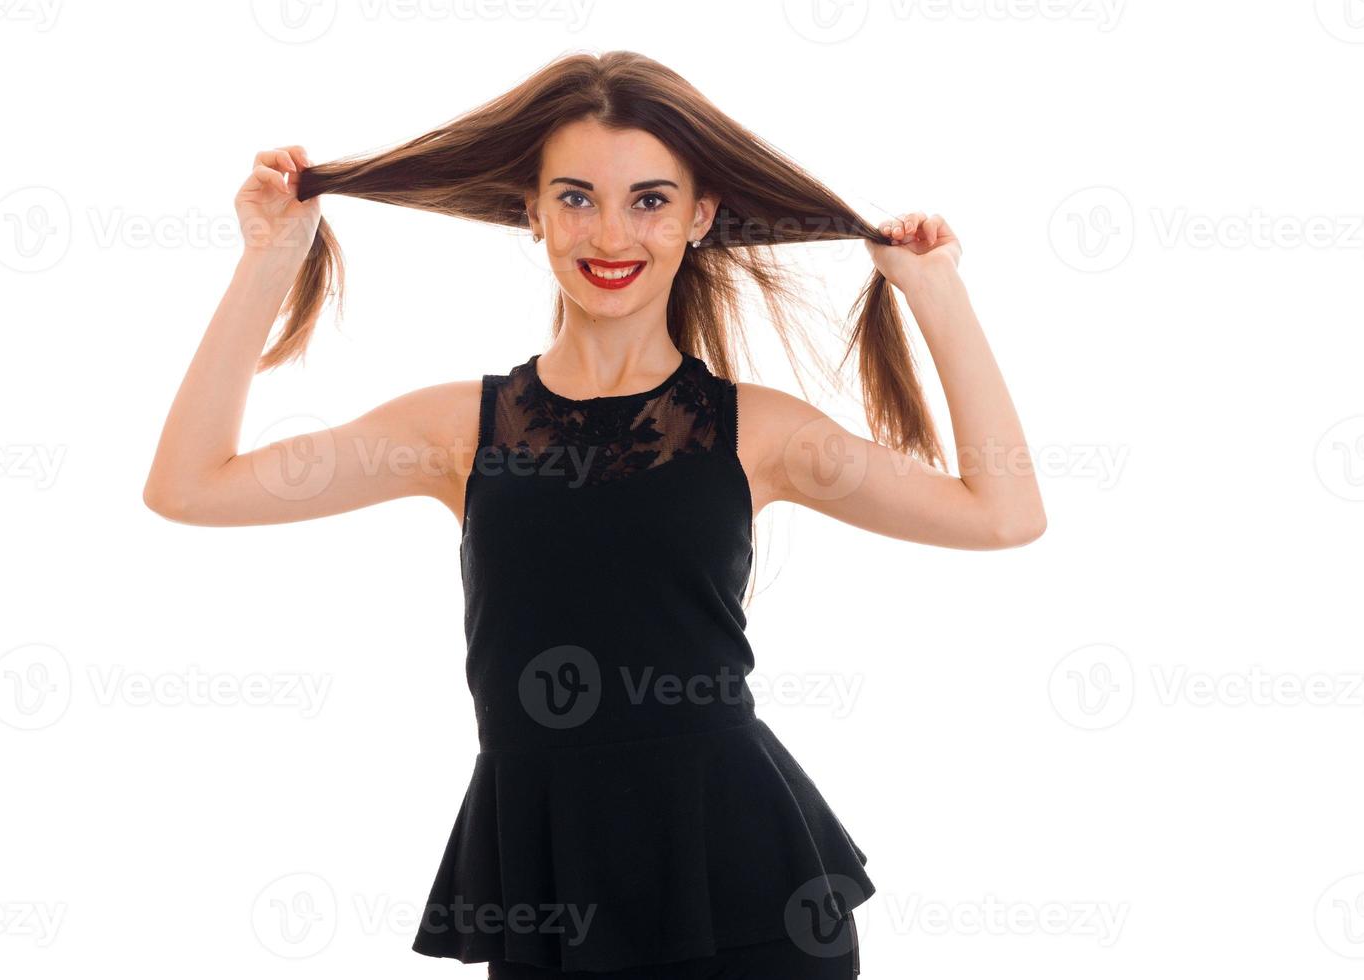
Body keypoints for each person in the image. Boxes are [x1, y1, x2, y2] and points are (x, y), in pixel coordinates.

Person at [143, 50, 1044, 980]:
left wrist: (938, 294)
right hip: (549, 892)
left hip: (747, 891)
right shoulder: (458, 430)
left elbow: (1003, 513)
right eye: (575, 197)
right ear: (530, 211)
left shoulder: (758, 432)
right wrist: (270, 259)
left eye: (650, 200)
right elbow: (189, 485)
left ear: (700, 217)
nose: (611, 233)